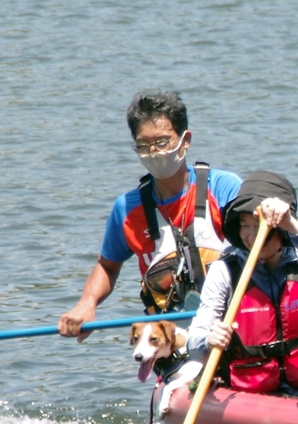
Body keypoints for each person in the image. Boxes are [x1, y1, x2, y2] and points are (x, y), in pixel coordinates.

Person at [58, 91, 241, 340]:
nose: (153, 152)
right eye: (144, 145)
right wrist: (87, 304)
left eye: (162, 142)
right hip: (172, 340)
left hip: (231, 328)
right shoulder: (126, 208)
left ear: (185, 140)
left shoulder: (223, 188)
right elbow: (107, 266)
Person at [188, 172, 298, 394]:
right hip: (250, 393)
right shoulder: (225, 271)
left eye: (259, 225)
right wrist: (209, 340)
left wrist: (291, 224)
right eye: (244, 226)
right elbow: (194, 343)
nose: (251, 236)